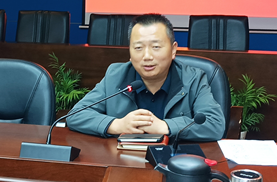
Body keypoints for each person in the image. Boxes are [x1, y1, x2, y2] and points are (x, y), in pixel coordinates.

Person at [67, 13, 225, 141]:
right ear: (130, 52)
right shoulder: (115, 75)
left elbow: (215, 124)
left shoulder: (193, 79)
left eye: (156, 47)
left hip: (174, 161)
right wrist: (118, 125)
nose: (147, 56)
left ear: (173, 50)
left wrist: (165, 127)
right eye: (138, 48)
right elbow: (75, 115)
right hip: (124, 161)